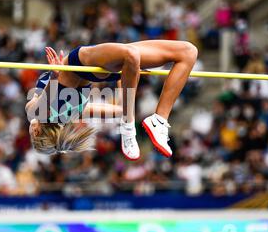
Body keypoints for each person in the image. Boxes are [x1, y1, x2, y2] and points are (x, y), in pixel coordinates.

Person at [26, 40, 198, 160]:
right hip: (85, 61)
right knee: (131, 54)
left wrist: (128, 74)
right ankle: (128, 125)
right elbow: (41, 107)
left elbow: (119, 109)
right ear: (36, 133)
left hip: (106, 63)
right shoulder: (41, 113)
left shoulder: (71, 113)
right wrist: (54, 78)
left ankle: (159, 119)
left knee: (187, 52)